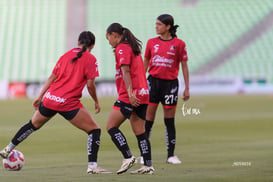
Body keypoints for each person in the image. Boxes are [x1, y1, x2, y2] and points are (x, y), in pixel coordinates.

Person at [0, 31, 111, 174]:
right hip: (68, 103)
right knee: (94, 130)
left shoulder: (65, 56)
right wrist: (96, 101)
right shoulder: (90, 59)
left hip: (51, 99)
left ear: (78, 42)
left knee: (32, 125)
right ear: (93, 45)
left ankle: (8, 148)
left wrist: (40, 96)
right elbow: (90, 85)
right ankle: (92, 166)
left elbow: (52, 78)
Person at [105, 23, 154, 175]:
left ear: (114, 35)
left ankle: (128, 157)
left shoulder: (122, 48)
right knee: (140, 132)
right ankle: (148, 165)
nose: (109, 42)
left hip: (130, 94)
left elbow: (126, 72)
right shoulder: (132, 47)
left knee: (111, 127)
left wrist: (130, 94)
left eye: (108, 38)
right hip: (144, 92)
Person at [143, 14, 190, 164]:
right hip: (153, 83)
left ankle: (171, 155)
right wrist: (141, 82)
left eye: (159, 24)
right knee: (148, 119)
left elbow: (184, 65)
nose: (156, 26)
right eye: (156, 24)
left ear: (168, 26)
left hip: (170, 85)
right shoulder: (151, 42)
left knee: (169, 120)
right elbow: (145, 62)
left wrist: (187, 88)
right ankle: (145, 155)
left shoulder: (179, 44)